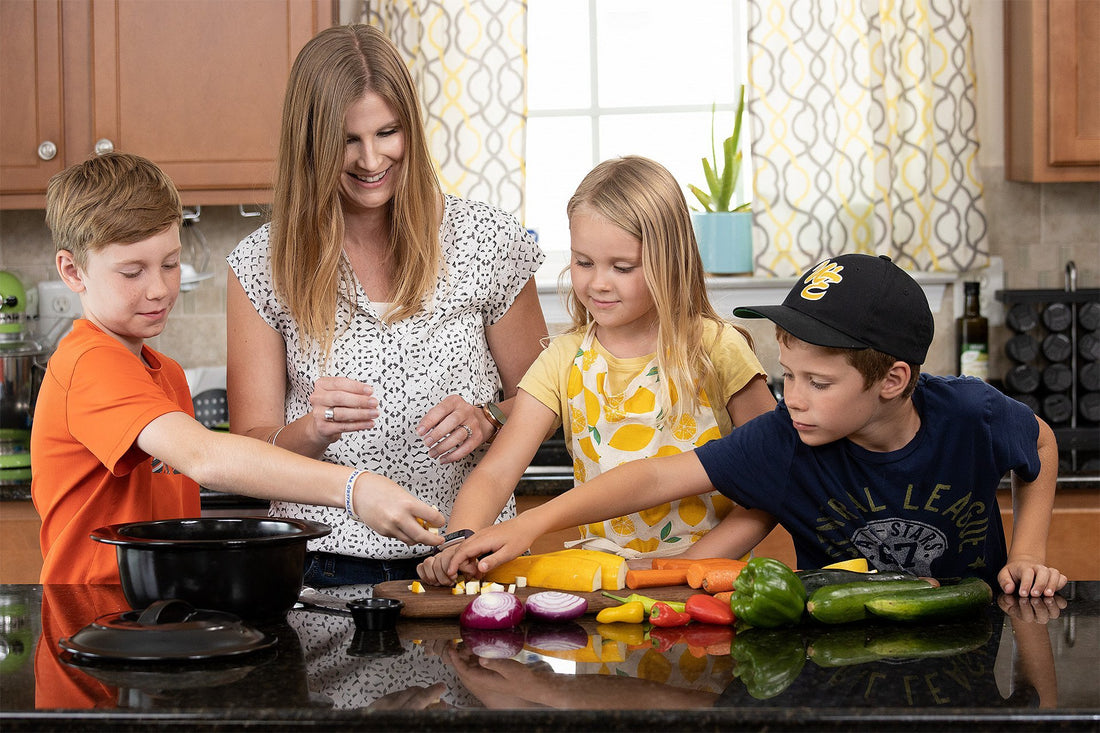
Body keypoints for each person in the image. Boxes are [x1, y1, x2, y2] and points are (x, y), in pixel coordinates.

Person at [449, 253, 1069, 597]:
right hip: (832, 649)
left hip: (968, 635)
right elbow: (655, 476)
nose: (791, 398)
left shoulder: (969, 412)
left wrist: (1030, 552)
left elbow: (1038, 441)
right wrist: (535, 520)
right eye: (788, 375)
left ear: (892, 381)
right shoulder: (786, 438)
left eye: (817, 383)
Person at [226, 24, 547, 587]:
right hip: (326, 564)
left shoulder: (488, 240)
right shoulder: (262, 264)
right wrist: (312, 430)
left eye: (388, 132)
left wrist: (490, 417)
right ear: (311, 142)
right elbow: (252, 452)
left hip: (471, 557)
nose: (372, 159)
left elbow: (542, 397)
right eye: (348, 140)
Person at [31, 152, 445, 586]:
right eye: (132, 272)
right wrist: (354, 489)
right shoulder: (88, 364)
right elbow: (205, 458)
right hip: (90, 625)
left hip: (153, 618)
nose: (158, 289)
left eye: (171, 264)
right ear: (72, 271)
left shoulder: (165, 373)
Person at [417, 156, 777, 585]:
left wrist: (680, 568)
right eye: (584, 262)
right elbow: (496, 472)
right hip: (606, 588)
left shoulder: (718, 349)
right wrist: (460, 540)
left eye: (622, 267)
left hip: (709, 583)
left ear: (671, 260)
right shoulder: (563, 358)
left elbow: (770, 479)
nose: (598, 283)